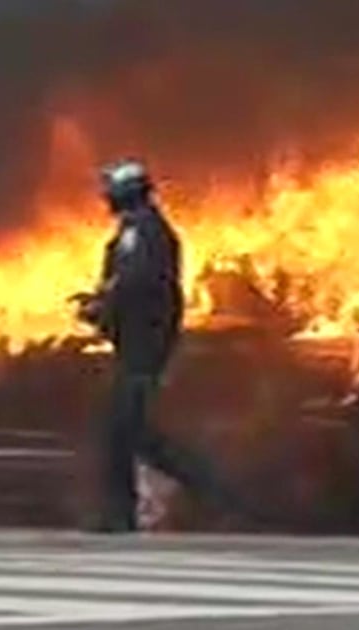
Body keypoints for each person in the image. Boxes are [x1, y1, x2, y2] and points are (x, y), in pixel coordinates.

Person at [73, 159, 250, 533]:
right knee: (131, 432)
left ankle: (210, 495)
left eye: (111, 190)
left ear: (126, 193)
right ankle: (207, 495)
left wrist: (103, 307)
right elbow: (127, 286)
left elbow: (136, 285)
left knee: (125, 429)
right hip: (137, 343)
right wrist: (100, 307)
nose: (106, 197)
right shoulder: (137, 230)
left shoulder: (145, 232)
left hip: (143, 346)